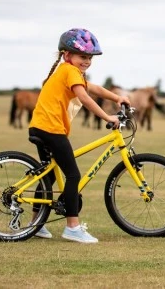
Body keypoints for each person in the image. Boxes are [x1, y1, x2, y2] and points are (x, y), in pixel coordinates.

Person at [29, 28, 130, 243]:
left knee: (47, 174)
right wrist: (107, 117)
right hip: (51, 129)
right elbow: (84, 97)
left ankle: (35, 223)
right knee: (73, 175)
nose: (87, 61)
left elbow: (94, 88)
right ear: (67, 55)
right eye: (83, 56)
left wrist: (117, 98)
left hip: (40, 126)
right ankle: (72, 227)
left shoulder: (68, 71)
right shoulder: (69, 71)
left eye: (90, 58)